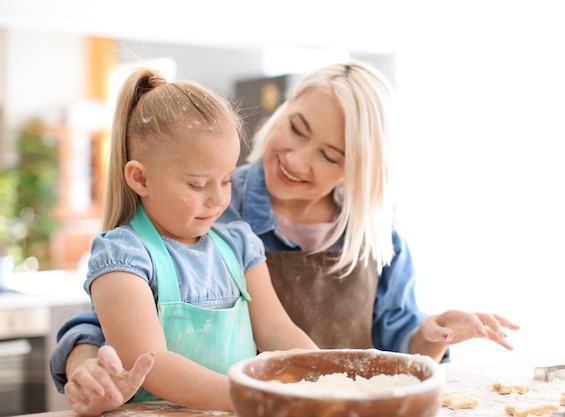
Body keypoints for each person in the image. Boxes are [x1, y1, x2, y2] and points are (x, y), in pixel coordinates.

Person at [51, 59, 519, 414]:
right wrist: (83, 361)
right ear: (283, 112)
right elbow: (114, 322)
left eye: (330, 155)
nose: (297, 160)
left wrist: (427, 334)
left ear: (356, 169)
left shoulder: (372, 233)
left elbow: (390, 351)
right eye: (296, 128)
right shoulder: (211, 213)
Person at [56, 67, 318, 416]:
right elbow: (152, 362)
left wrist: (324, 373)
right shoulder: (124, 256)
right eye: (197, 184)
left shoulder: (239, 245)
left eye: (226, 180)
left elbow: (276, 330)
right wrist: (252, 397)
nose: (217, 200)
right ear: (140, 178)